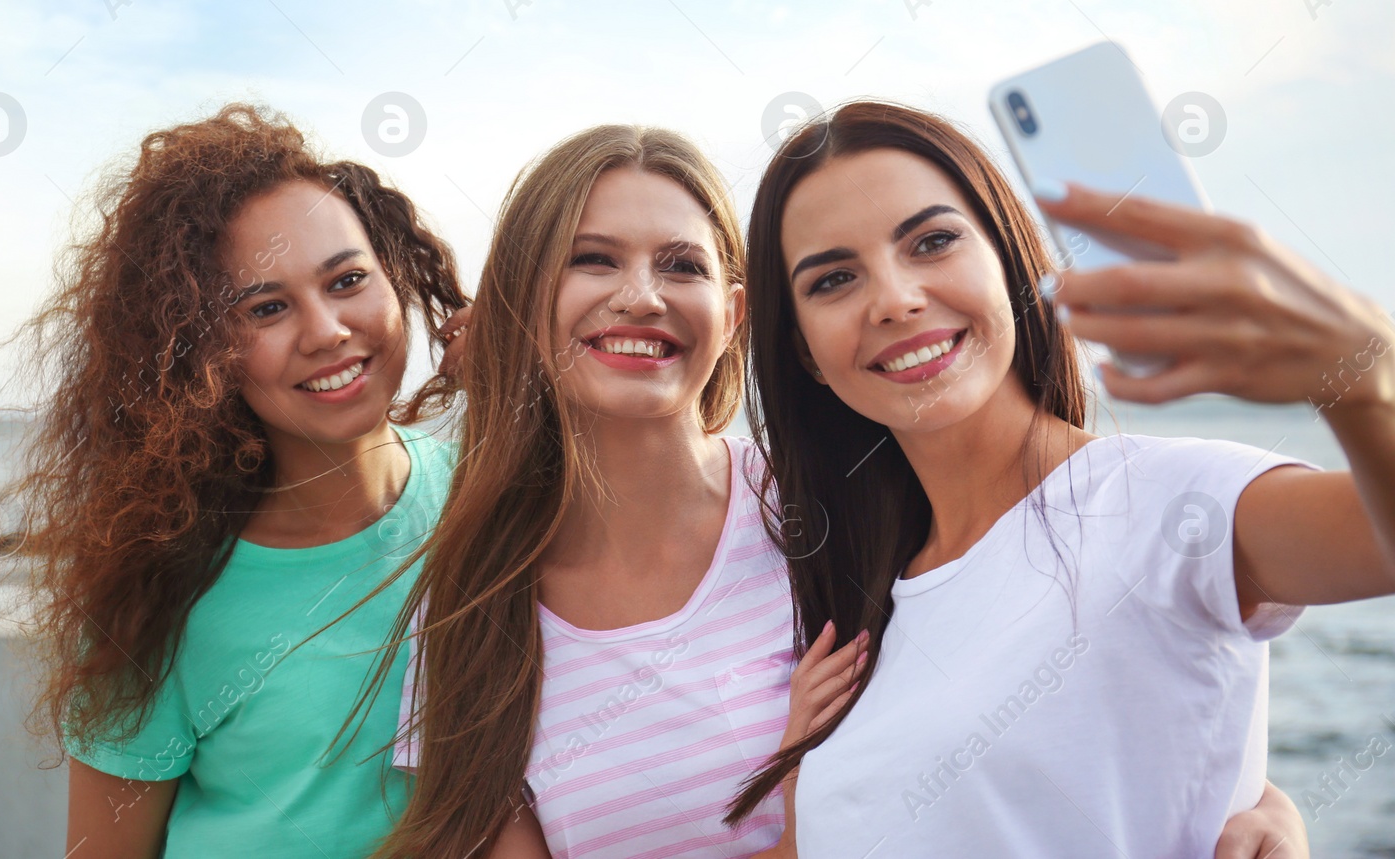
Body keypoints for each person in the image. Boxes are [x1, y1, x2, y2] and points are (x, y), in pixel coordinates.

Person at [371, 122, 1313, 859]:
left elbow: (1057, 679)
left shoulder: (835, 513)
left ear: (737, 314)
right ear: (527, 299)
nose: (641, 296)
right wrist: (792, 804)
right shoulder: (472, 607)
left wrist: (1251, 793)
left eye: (682, 264)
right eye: (592, 259)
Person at [731, 100, 1394, 856]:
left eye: (933, 241)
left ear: (1010, 261)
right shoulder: (865, 612)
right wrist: (802, 791)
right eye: (834, 279)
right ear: (807, 354)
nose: (894, 298)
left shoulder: (1162, 497)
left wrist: (1369, 375)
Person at [3, 103, 467, 858]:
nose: (325, 330)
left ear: (397, 278)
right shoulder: (160, 588)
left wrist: (538, 392)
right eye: (267, 307)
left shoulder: (498, 500)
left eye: (348, 279)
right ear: (199, 352)